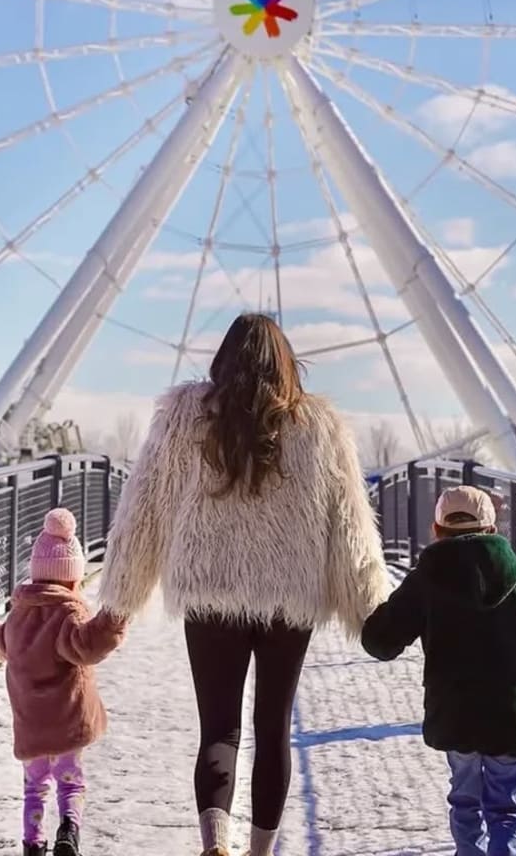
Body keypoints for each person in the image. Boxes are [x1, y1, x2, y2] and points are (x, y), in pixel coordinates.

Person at [98, 313, 386, 856]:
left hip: (209, 590)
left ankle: (215, 843)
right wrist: (374, 611)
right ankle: (260, 851)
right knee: (273, 727)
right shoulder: (320, 426)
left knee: (219, 730)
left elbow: (142, 510)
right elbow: (350, 524)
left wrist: (119, 598)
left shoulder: (181, 418)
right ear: (287, 363)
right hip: (288, 596)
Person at [360, 485, 516, 856]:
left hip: (455, 715)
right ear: (491, 529)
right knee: (507, 809)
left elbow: (380, 640)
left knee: (465, 801)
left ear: (437, 529)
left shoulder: (426, 576)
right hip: (510, 715)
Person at [0, 508, 127, 856]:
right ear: (73, 577)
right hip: (67, 720)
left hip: (31, 722)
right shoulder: (69, 613)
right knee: (70, 782)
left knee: (34, 787)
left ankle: (33, 843)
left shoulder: (19, 616)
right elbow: (88, 645)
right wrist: (114, 618)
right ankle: (68, 831)